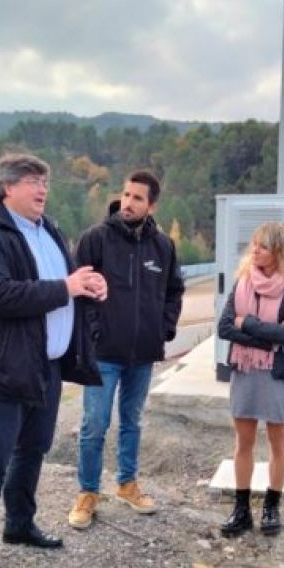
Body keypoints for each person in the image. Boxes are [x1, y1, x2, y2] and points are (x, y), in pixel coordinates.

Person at [0, 152, 104, 568]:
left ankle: (19, 525)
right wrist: (66, 287)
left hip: (47, 365)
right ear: (7, 188)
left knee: (33, 450)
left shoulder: (51, 230)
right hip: (2, 369)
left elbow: (61, 285)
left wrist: (86, 284)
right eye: (31, 181)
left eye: (44, 181)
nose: (42, 189)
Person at [68, 171, 185, 529]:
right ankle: (88, 493)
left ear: (151, 205)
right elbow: (79, 292)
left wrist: (163, 329)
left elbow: (174, 291)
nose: (128, 203)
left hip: (143, 356)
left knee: (132, 422)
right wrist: (94, 333)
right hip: (103, 355)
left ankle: (127, 484)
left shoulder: (163, 247)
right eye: (125, 194)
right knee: (94, 424)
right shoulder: (96, 240)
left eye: (137, 198)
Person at [216, 221, 284, 537]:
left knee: (278, 442)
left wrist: (249, 325)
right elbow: (225, 328)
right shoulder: (243, 281)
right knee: (243, 442)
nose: (255, 250)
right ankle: (241, 510)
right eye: (254, 244)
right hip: (245, 371)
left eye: (263, 246)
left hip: (277, 373)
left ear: (280, 252)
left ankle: (272, 507)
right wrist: (268, 337)